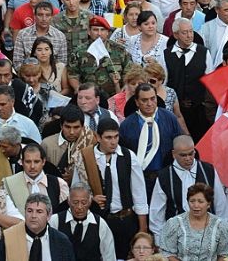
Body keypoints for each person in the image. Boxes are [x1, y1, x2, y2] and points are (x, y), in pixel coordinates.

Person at [72, 118, 148, 259]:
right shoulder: (85, 157)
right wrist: (91, 199)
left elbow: (140, 193)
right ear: (98, 137)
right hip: (100, 220)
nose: (113, 142)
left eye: (116, 137)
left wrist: (142, 228)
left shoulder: (128, 156)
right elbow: (76, 189)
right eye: (108, 138)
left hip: (126, 219)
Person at [158, 183, 228, 260]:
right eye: (192, 201)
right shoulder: (174, 224)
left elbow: (225, 255)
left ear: (208, 204)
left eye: (200, 202)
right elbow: (167, 253)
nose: (196, 205)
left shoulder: (221, 226)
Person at [0, 193, 75, 260]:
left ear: (48, 215)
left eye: (39, 212)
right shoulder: (9, 237)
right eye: (29, 211)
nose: (33, 216)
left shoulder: (61, 241)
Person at [50, 182, 116, 260]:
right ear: (68, 201)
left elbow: (109, 255)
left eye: (84, 202)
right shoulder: (55, 220)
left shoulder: (100, 224)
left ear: (90, 201)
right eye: (75, 202)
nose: (79, 207)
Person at [2, 143, 68, 214]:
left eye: (36, 162)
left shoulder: (59, 184)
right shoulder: (9, 183)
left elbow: (64, 215)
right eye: (28, 162)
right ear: (22, 162)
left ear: (43, 162)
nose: (32, 166)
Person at [41, 106, 96, 182]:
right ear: (61, 126)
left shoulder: (89, 143)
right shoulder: (47, 144)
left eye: (76, 127)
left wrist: (75, 177)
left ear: (82, 127)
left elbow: (93, 173)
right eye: (67, 127)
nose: (71, 132)